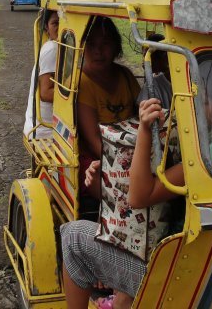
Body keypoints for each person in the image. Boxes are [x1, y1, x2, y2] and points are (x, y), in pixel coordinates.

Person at [61, 97, 184, 309]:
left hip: (174, 276)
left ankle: (122, 297)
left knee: (73, 237)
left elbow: (137, 198)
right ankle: (121, 299)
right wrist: (109, 176)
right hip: (187, 259)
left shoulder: (206, 160)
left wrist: (144, 130)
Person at [77, 17, 140, 160]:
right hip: (98, 158)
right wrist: (121, 163)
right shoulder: (81, 83)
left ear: (115, 46)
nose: (98, 51)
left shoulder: (125, 74)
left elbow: (142, 111)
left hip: (131, 150)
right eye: (91, 44)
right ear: (82, 47)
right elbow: (93, 140)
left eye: (105, 44)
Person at [24, 10, 60, 139]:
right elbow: (46, 93)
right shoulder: (54, 48)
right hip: (46, 132)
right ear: (46, 27)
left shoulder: (56, 46)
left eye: (64, 22)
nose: (60, 27)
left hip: (41, 127)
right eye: (55, 23)